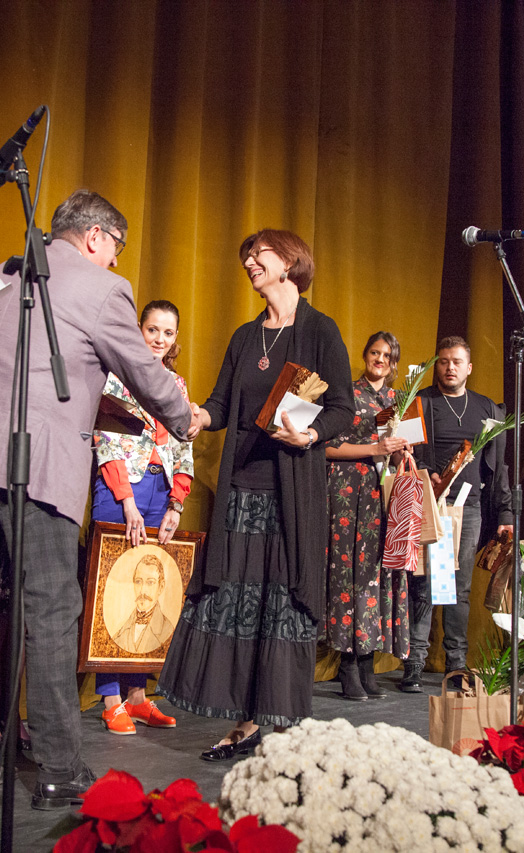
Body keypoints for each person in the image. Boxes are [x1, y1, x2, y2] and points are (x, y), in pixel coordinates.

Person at [0, 190, 192, 808]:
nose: (115, 262)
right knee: (53, 613)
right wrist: (183, 416)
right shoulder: (103, 288)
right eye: (115, 248)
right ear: (95, 237)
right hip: (32, 468)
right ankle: (60, 767)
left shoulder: (4, 271)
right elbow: (144, 372)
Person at [157, 229, 355, 761]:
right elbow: (222, 403)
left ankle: (281, 724)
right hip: (241, 492)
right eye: (246, 254)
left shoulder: (319, 330)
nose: (248, 261)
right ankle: (244, 724)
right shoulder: (246, 336)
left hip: (291, 496)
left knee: (281, 605)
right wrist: (199, 417)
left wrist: (311, 434)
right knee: (242, 606)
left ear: (289, 262)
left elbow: (342, 407)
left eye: (259, 253)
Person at [89, 298, 191, 734]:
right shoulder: (117, 376)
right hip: (121, 489)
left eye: (168, 333)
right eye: (153, 330)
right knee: (114, 587)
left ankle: (136, 696)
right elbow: (107, 439)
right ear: (139, 330)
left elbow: (184, 441)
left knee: (149, 589)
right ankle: (110, 697)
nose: (160, 339)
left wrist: (177, 500)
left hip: (160, 489)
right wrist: (126, 500)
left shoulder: (177, 383)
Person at [401, 336, 513, 692]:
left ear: (469, 367)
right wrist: (425, 470)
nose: (450, 367)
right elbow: (403, 451)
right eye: (444, 361)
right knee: (425, 585)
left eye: (457, 362)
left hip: (471, 509)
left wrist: (506, 513)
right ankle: (414, 664)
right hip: (431, 505)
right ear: (438, 365)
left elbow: (499, 466)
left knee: (456, 589)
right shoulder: (421, 402)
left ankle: (456, 665)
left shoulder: (487, 408)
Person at [324, 332, 411, 700]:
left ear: (394, 364)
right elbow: (327, 447)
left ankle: (366, 661)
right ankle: (346, 663)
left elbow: (395, 453)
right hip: (346, 489)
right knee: (346, 574)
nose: (380, 359)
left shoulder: (396, 400)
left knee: (374, 576)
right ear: (365, 355)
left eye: (387, 355)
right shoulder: (347, 393)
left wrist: (402, 451)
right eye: (375, 352)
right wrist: (375, 447)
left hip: (380, 493)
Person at [108, 555, 177, 655]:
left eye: (150, 582)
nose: (142, 591)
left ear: (161, 587)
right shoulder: (119, 634)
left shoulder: (169, 630)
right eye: (138, 582)